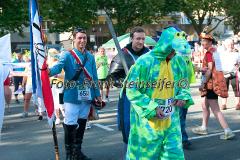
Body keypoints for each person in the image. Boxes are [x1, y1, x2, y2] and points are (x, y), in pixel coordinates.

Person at [125, 26, 193, 159]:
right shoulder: (145, 62)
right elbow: (131, 89)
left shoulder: (178, 61)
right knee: (145, 156)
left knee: (174, 156)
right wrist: (151, 107)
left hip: (171, 123)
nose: (174, 53)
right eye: (172, 49)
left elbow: (184, 84)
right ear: (166, 45)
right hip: (147, 125)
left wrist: (182, 97)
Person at [48, 28, 101, 160]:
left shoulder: (90, 56)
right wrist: (46, 71)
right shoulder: (67, 55)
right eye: (80, 38)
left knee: (82, 122)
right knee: (70, 123)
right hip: (71, 95)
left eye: (84, 38)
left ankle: (77, 151)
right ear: (74, 40)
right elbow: (57, 68)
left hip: (87, 95)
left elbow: (94, 76)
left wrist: (97, 94)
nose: (82, 40)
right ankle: (69, 154)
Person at [108, 26, 149, 156]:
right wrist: (125, 83)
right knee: (128, 129)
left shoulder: (149, 54)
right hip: (128, 98)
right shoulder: (122, 55)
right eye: (138, 38)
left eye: (143, 38)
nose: (140, 41)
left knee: (147, 129)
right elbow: (111, 77)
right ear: (132, 38)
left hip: (146, 97)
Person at [192, 33, 235, 140]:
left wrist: (203, 83)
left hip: (211, 84)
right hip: (212, 82)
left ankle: (227, 130)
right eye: (202, 41)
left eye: (205, 41)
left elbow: (210, 69)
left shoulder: (209, 53)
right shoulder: (215, 51)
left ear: (210, 42)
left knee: (215, 109)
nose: (202, 43)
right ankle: (204, 127)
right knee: (204, 105)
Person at [220, 39, 240, 110]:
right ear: (225, 45)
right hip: (225, 73)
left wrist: (238, 66)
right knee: (224, 89)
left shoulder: (237, 54)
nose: (230, 46)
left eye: (231, 44)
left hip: (234, 73)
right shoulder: (222, 54)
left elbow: (239, 63)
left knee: (236, 89)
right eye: (228, 44)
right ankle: (223, 104)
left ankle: (238, 104)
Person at [48, 48, 65, 125]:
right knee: (55, 102)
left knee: (61, 102)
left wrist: (57, 75)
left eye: (53, 53)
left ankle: (66, 117)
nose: (52, 55)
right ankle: (57, 118)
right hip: (52, 85)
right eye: (50, 54)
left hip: (60, 85)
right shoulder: (48, 64)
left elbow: (65, 75)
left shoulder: (60, 63)